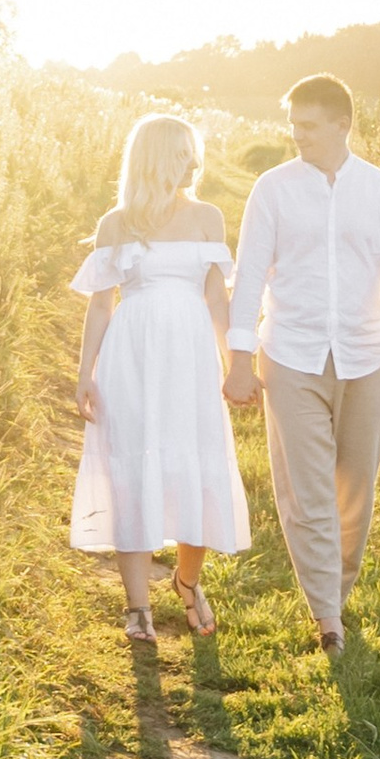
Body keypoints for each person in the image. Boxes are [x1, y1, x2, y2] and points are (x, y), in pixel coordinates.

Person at [228, 73, 380, 658]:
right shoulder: (272, 189)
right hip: (290, 354)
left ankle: (335, 596)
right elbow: (249, 275)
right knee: (308, 491)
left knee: (355, 490)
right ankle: (328, 618)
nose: (297, 135)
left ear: (342, 125)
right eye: (293, 124)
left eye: (309, 125)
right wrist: (238, 359)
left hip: (365, 356)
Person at [70, 111, 253, 645]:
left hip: (190, 358)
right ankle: (138, 608)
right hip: (131, 356)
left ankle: (187, 581)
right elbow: (101, 305)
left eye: (193, 154)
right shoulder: (116, 224)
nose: (191, 164)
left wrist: (236, 363)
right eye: (179, 154)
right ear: (153, 158)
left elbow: (217, 299)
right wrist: (85, 373)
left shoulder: (207, 218)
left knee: (195, 465)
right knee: (131, 471)